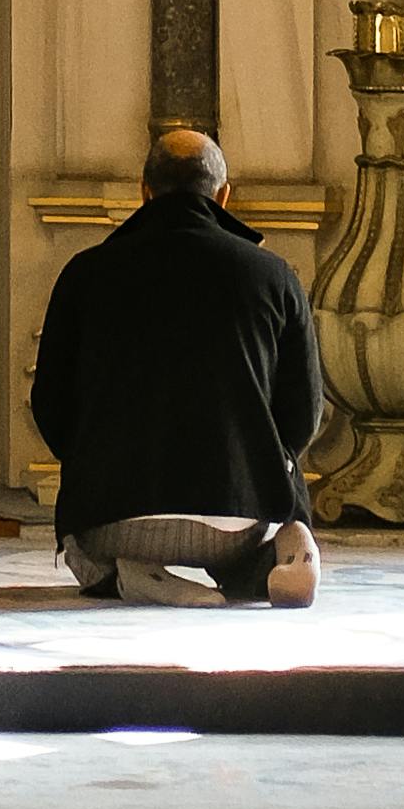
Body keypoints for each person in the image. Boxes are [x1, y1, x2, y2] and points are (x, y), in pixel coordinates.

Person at [29, 121, 325, 603]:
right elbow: (303, 416)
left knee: (82, 547)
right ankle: (275, 559)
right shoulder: (274, 276)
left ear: (144, 192)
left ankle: (127, 577)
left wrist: (96, 464)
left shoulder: (85, 273)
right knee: (280, 470)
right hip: (238, 522)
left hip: (111, 518)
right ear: (224, 195)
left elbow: (49, 407)